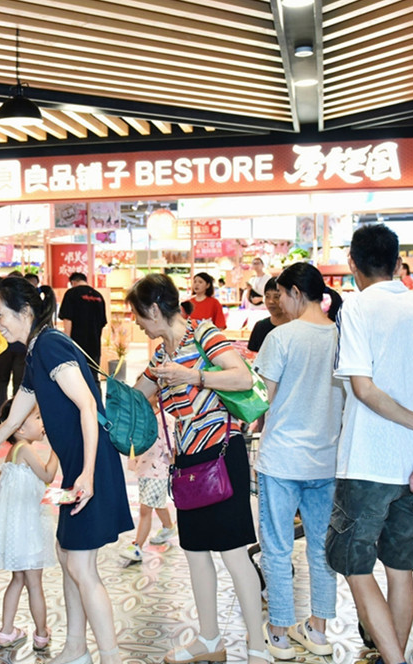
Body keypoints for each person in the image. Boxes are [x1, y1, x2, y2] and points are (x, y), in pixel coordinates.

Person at [0, 276, 132, 664]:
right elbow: (12, 423)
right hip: (78, 467)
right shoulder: (35, 353)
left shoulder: (49, 345)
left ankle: (110, 657)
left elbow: (86, 406)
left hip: (90, 466)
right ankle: (77, 649)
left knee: (80, 564)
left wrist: (86, 476)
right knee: (68, 556)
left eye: (0, 315)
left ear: (25, 311)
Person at [328, 224, 413, 664]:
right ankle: (392, 656)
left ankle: (395, 660)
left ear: (353, 263)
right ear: (397, 260)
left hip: (366, 462)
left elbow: (363, 389)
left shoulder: (356, 308)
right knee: (400, 569)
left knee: (352, 563)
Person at [128, 273, 268, 664]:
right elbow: (139, 397)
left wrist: (194, 376)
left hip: (222, 457)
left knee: (234, 554)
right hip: (188, 464)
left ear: (155, 309)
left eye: (139, 314)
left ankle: (258, 648)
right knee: (195, 552)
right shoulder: (160, 355)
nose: (137, 322)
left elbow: (243, 377)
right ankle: (209, 640)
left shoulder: (205, 335)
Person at [252, 263, 343, 660]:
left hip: (282, 459)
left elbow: (260, 400)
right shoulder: (341, 337)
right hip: (326, 460)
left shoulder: (281, 337)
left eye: (280, 294)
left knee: (276, 546)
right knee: (322, 547)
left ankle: (279, 633)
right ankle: (318, 631)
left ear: (293, 292)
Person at [0, 401, 58, 652]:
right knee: (34, 583)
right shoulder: (25, 448)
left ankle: (6, 631)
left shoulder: (13, 453)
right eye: (38, 418)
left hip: (14, 532)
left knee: (17, 579)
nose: (42, 423)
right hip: (27, 530)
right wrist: (57, 450)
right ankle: (41, 634)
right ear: (18, 428)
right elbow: (48, 476)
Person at [120, 408, 177, 563]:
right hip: (144, 469)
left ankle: (137, 546)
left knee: (145, 508)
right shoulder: (140, 415)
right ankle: (169, 527)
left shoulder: (165, 419)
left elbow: (172, 447)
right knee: (156, 503)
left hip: (159, 470)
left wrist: (175, 471)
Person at [58, 272, 108, 371]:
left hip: (77, 346)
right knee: (93, 377)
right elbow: (102, 322)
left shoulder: (71, 294)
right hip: (94, 347)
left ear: (72, 282)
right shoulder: (98, 296)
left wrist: (67, 343)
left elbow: (67, 319)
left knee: (77, 377)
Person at [246, 279, 289, 354]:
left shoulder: (294, 328)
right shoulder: (260, 327)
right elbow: (252, 355)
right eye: (267, 296)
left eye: (276, 297)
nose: (271, 301)